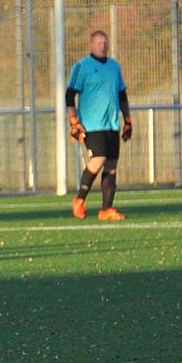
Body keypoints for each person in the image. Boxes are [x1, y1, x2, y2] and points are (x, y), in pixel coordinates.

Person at [66, 30, 132, 221]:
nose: (102, 46)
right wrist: (74, 121)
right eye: (98, 43)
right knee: (99, 158)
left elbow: (122, 94)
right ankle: (79, 199)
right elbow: (69, 95)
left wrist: (127, 119)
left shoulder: (114, 66)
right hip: (91, 124)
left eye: (104, 42)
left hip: (112, 124)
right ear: (91, 44)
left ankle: (106, 209)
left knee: (111, 166)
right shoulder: (82, 66)